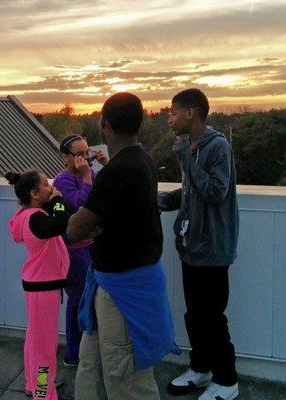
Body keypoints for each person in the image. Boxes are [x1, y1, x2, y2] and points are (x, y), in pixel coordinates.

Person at [67, 92, 180, 400]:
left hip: (121, 291)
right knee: (90, 365)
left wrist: (85, 193)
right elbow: (112, 217)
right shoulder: (142, 158)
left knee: (124, 378)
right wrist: (98, 223)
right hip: (116, 280)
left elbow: (75, 229)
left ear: (104, 124)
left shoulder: (117, 171)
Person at [159, 88, 239, 400]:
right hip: (191, 246)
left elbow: (216, 191)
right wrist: (167, 200)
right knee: (195, 314)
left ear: (190, 113)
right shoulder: (189, 145)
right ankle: (201, 368)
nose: (169, 119)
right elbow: (192, 190)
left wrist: (184, 158)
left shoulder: (217, 146)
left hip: (214, 249)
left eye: (172, 112)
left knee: (212, 317)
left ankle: (227, 381)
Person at [7, 170, 69, 400]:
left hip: (37, 286)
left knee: (35, 339)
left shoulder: (27, 214)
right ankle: (44, 393)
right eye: (45, 184)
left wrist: (53, 202)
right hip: (44, 288)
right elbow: (62, 223)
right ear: (34, 193)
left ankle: (34, 384)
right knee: (44, 348)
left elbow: (54, 219)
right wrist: (59, 199)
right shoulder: (36, 218)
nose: (50, 187)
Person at [53, 135, 107, 367]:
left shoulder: (89, 174)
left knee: (89, 298)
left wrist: (106, 166)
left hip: (90, 246)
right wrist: (87, 176)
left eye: (88, 152)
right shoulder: (63, 180)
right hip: (73, 250)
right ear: (65, 158)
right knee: (77, 299)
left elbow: (104, 191)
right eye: (79, 154)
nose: (85, 159)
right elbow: (80, 206)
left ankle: (86, 348)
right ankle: (73, 353)